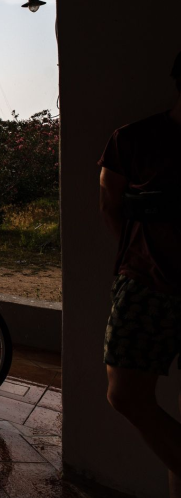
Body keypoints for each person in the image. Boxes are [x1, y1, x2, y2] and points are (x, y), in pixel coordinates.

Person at [100, 50, 181, 494]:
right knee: (126, 394)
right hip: (145, 282)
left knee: (129, 396)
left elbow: (110, 204)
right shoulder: (132, 139)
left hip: (144, 282)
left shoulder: (131, 138)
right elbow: (110, 206)